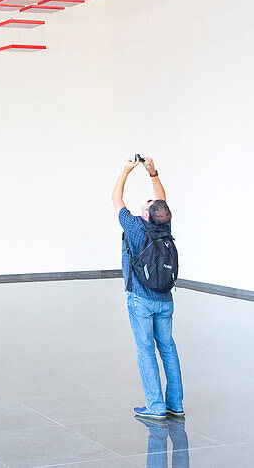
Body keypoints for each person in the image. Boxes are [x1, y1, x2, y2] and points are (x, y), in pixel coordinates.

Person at [112, 156, 184, 423]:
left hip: (141, 298)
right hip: (165, 299)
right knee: (167, 348)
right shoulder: (165, 226)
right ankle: (175, 403)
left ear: (145, 215)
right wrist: (153, 174)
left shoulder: (135, 226)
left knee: (145, 350)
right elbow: (161, 203)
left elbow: (116, 200)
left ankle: (155, 405)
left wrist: (126, 171)